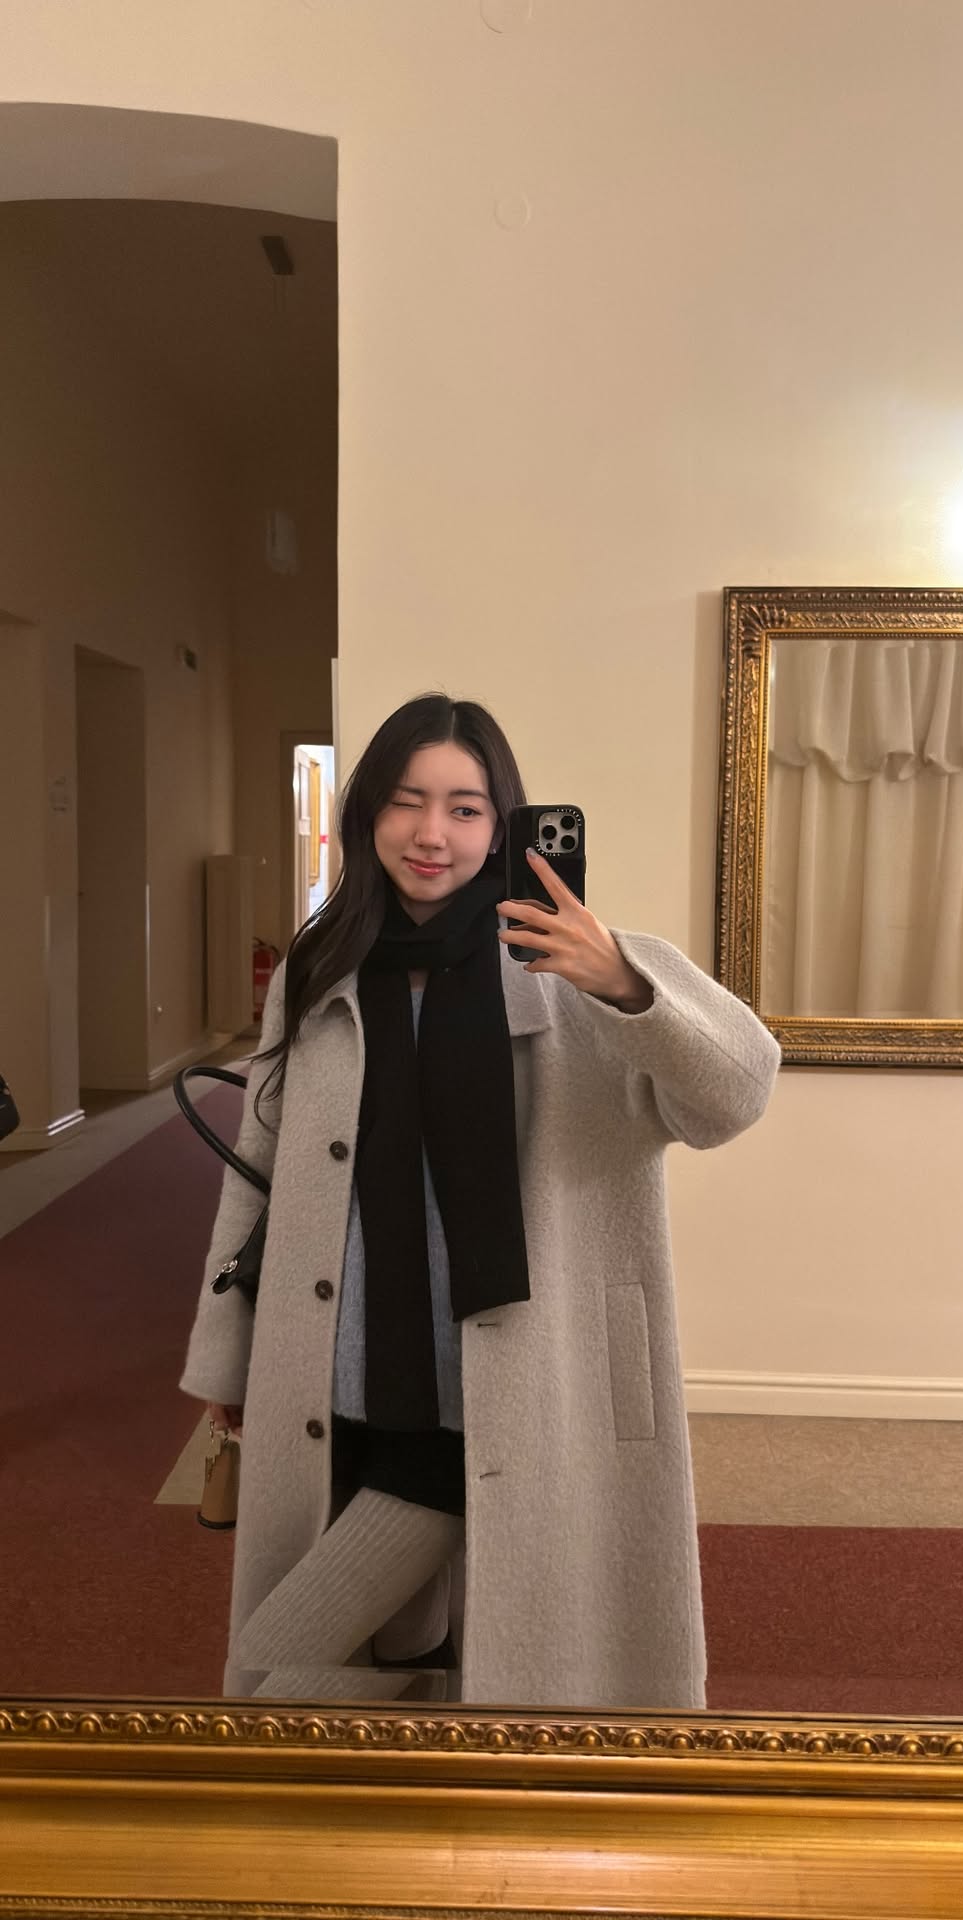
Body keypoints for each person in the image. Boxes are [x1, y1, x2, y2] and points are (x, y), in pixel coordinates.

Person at [181, 693, 780, 1708]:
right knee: (402, 1648)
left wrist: (623, 985)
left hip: (523, 1376)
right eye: (407, 801)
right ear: (367, 813)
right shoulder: (319, 970)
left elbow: (735, 1094)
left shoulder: (577, 968)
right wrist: (225, 1352)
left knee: (287, 1672)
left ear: (503, 826)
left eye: (465, 809)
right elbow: (262, 1162)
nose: (432, 833)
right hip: (344, 1357)